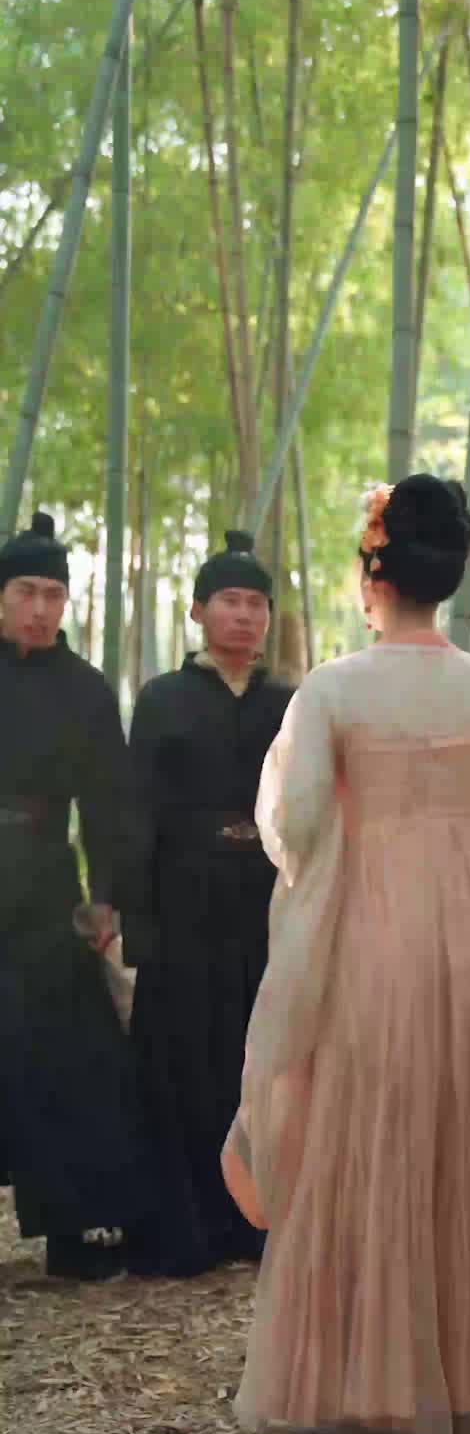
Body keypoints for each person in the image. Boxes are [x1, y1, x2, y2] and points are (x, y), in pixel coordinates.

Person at [220, 473, 470, 1434]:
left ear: (374, 573)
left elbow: (295, 824)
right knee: (468, 1132)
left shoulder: (334, 689)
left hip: (372, 932)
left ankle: (370, 1377)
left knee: (368, 1129)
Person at [123, 529, 293, 1276]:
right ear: (198, 611)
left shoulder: (291, 703)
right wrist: (134, 916)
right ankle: (182, 1231)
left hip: (264, 899)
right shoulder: (162, 699)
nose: (244, 616)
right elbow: (135, 812)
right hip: (183, 900)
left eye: (257, 603)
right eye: (230, 601)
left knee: (258, 1062)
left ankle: (258, 1223)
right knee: (182, 1064)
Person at [0, 510, 152, 1279]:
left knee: (63, 1053)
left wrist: (106, 896)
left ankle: (69, 1229)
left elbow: (107, 801)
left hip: (44, 878)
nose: (39, 608)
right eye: (25, 591)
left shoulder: (85, 689)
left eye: (53, 594)